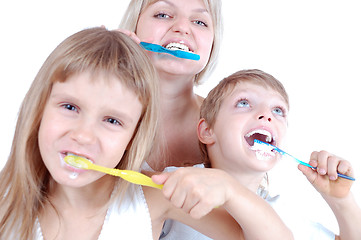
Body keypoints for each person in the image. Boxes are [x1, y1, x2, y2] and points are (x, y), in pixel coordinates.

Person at [0, 28, 294, 240]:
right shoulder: (6, 204)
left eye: (112, 121)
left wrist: (229, 189)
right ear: (38, 107)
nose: (84, 135)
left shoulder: (149, 198)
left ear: (135, 135)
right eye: (70, 106)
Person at [195, 69, 361, 239]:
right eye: (244, 103)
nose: (267, 115)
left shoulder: (284, 217)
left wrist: (341, 201)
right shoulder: (178, 183)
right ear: (207, 130)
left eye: (278, 111)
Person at [119, 0, 223, 171]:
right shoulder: (94, 108)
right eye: (163, 14)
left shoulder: (228, 125)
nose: (182, 27)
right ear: (134, 27)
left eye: (199, 22)